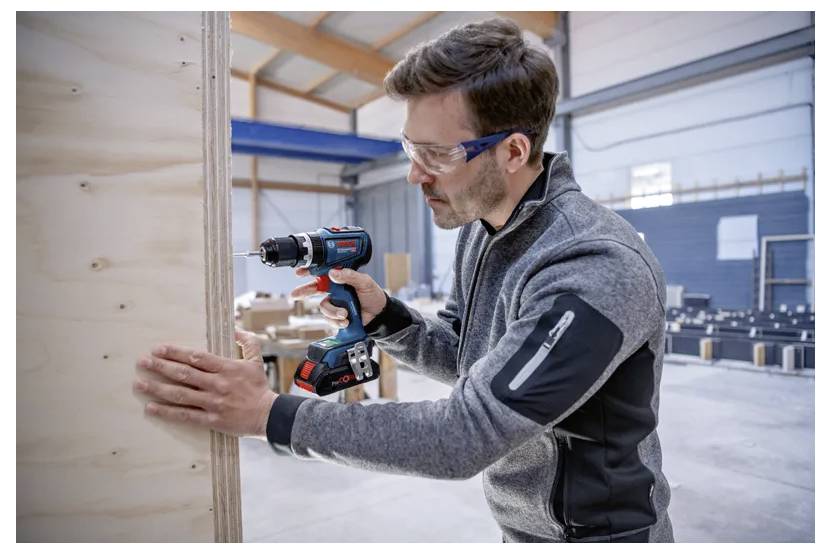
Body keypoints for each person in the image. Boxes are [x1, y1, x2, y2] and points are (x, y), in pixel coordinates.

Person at [133, 18, 673, 542]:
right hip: (524, 531)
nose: (416, 174)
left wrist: (268, 415)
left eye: (437, 154)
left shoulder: (592, 267)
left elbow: (465, 434)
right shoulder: (483, 230)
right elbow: (469, 360)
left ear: (513, 151)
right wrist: (387, 318)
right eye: (411, 149)